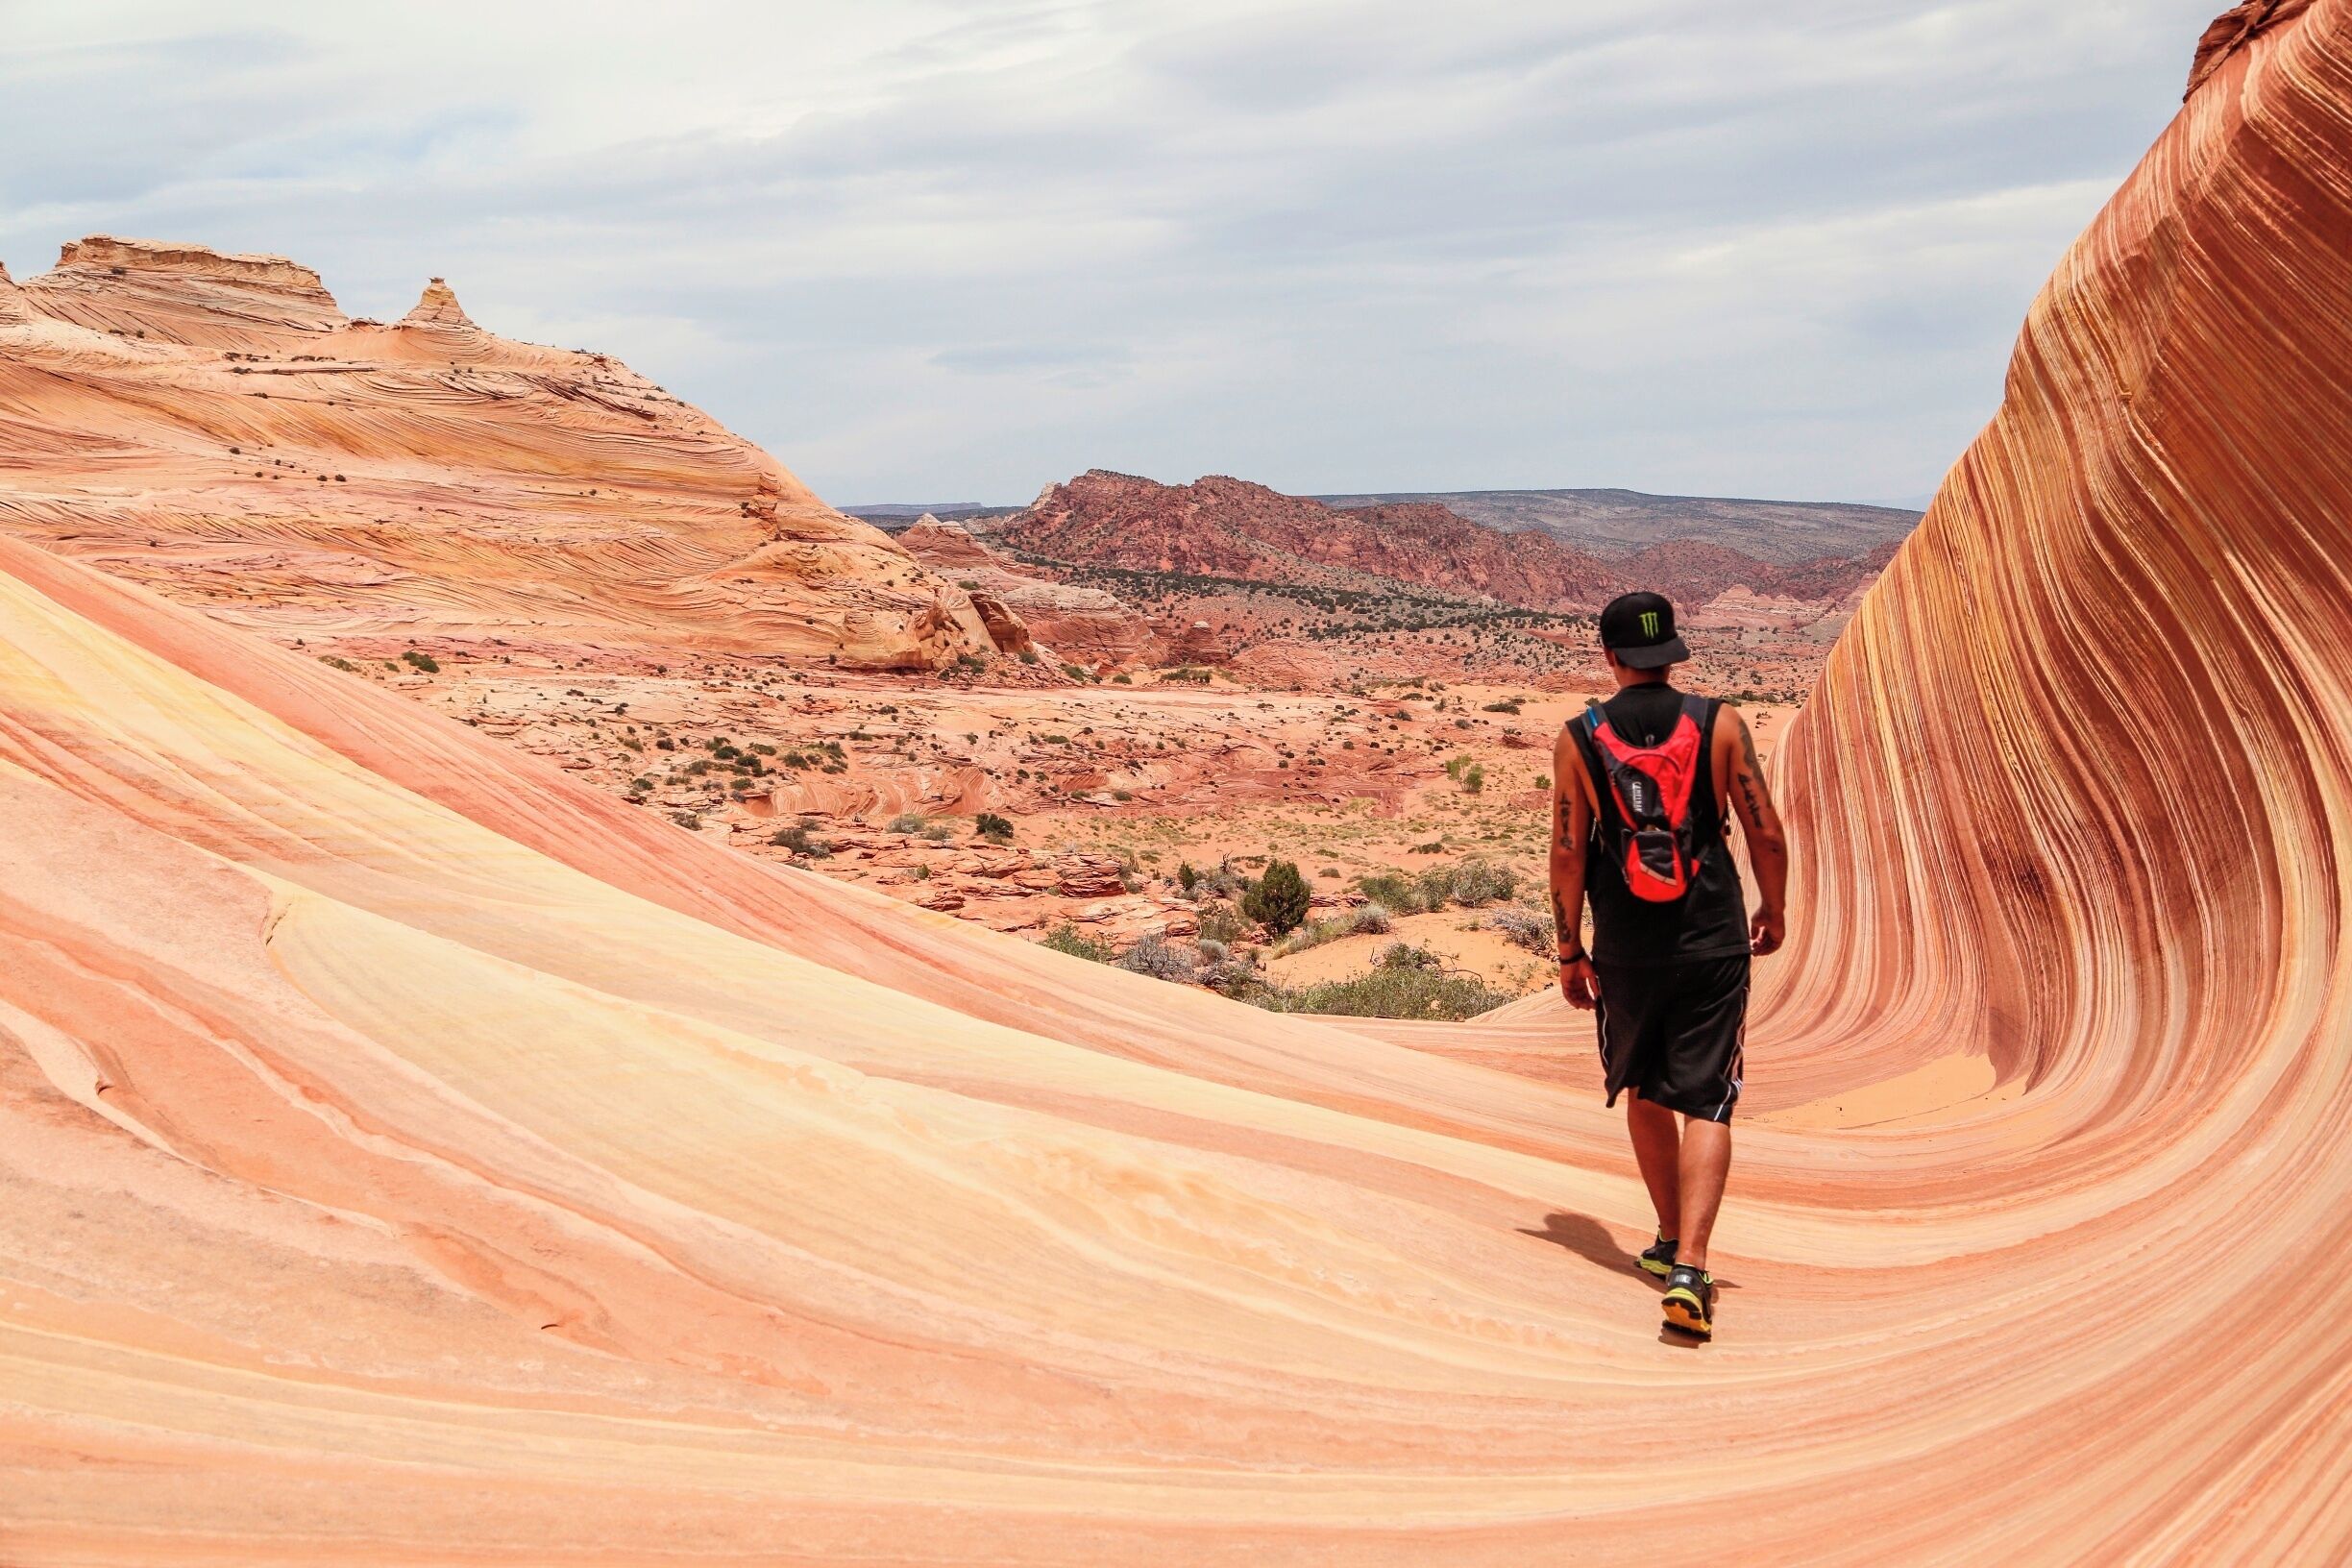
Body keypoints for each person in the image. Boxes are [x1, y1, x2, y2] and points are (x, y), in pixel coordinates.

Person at [1549, 591, 1789, 1340]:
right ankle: (1691, 1263)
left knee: (1645, 1088)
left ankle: (1662, 1238)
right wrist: (1772, 908)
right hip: (1711, 937)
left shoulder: (1577, 736)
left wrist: (1568, 948)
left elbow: (1566, 850)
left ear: (1610, 656)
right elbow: (1763, 827)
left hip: (1625, 944)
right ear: (1674, 652)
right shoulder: (1719, 723)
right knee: (1710, 1100)